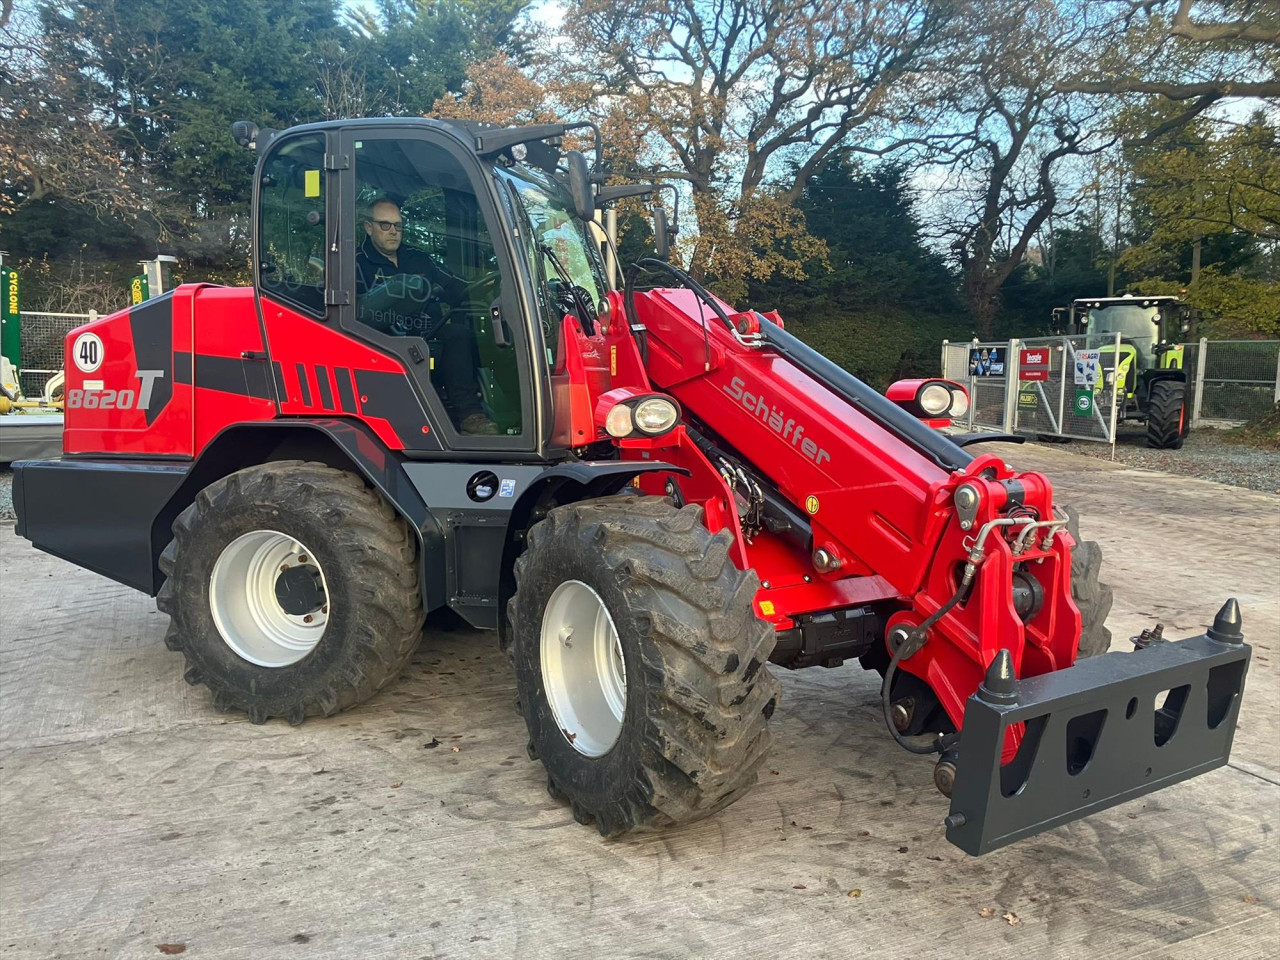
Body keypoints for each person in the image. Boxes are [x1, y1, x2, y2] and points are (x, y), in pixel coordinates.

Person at [356, 196, 499, 436]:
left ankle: (481, 414)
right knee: (451, 337)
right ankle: (459, 415)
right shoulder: (355, 263)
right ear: (368, 227)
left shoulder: (418, 259)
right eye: (385, 225)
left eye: (398, 225)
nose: (393, 232)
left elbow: (456, 288)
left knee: (470, 335)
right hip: (383, 342)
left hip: (429, 332)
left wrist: (488, 288)